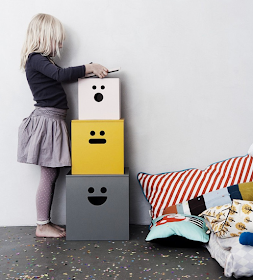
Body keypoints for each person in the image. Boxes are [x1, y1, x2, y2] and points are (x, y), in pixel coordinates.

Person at [18, 13, 108, 238]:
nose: (59, 44)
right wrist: (90, 67)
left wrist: (87, 73)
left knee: (53, 173)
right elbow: (60, 75)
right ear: (44, 36)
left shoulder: (43, 60)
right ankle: (41, 225)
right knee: (48, 174)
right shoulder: (36, 58)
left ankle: (45, 223)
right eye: (57, 39)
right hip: (48, 120)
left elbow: (61, 75)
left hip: (54, 120)